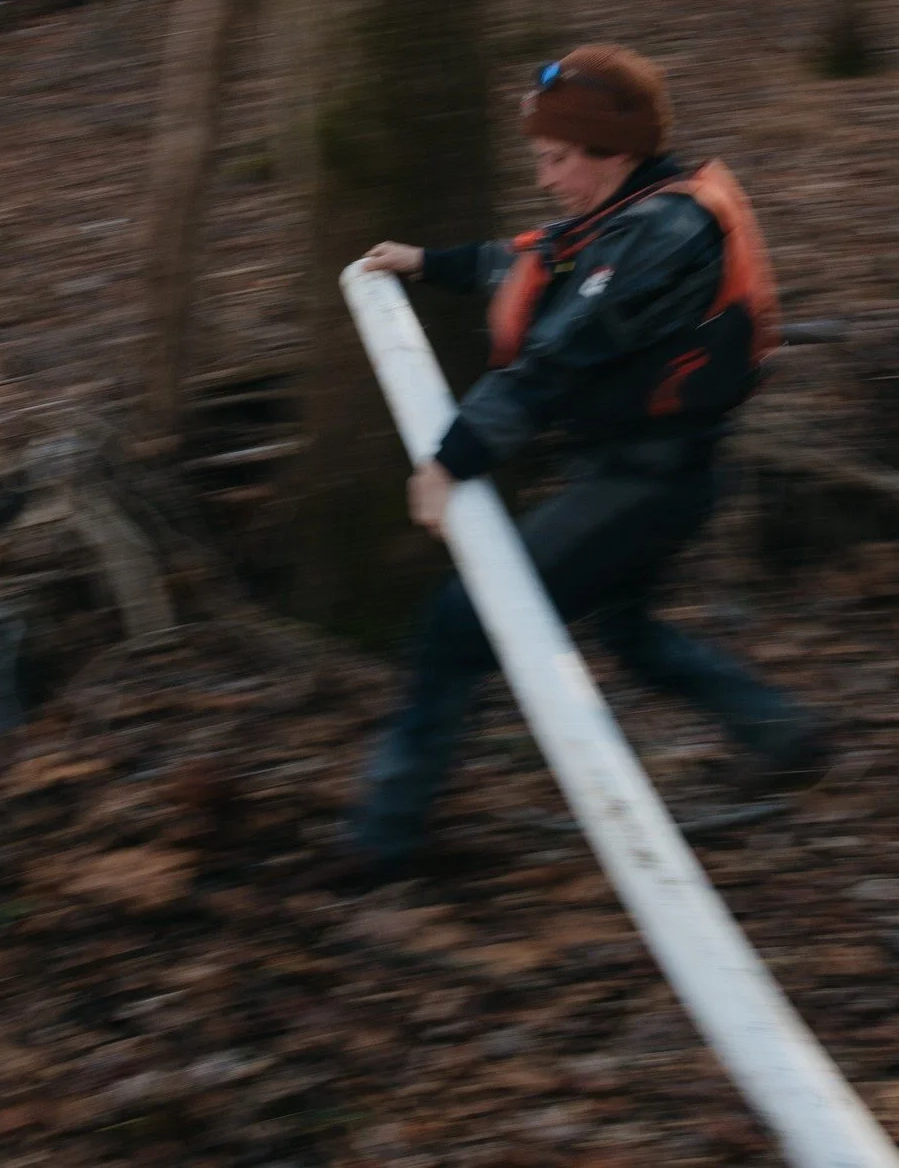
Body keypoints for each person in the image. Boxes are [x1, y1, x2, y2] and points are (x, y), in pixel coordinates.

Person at [336, 44, 829, 887]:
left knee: (458, 627)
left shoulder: (664, 233)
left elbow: (556, 358)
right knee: (627, 633)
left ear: (617, 151)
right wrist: (427, 262)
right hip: (657, 475)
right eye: (542, 158)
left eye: (559, 158)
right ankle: (782, 733)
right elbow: (533, 263)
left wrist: (449, 462)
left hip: (644, 482)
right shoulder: (627, 216)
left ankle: (381, 845)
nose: (547, 178)